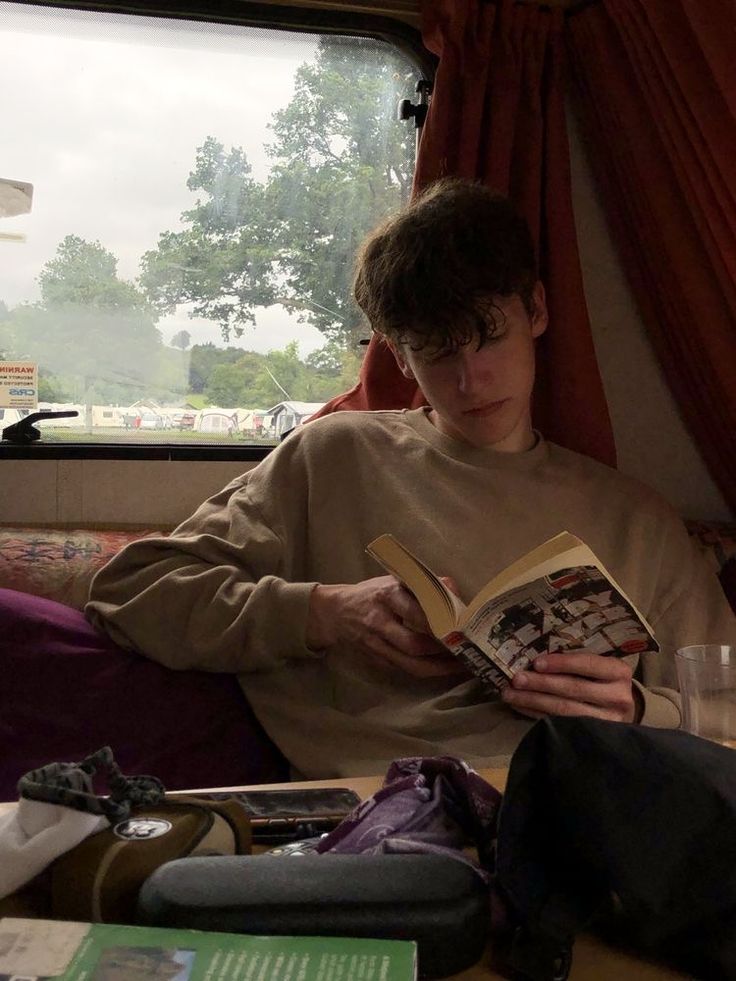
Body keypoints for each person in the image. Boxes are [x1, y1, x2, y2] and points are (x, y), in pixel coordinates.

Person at [86, 179, 736, 778]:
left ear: (535, 309)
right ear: (398, 353)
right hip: (377, 811)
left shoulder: (636, 518)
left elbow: (726, 708)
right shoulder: (332, 457)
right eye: (435, 349)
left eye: (488, 336)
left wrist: (637, 710)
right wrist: (324, 612)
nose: (469, 378)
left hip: (575, 809)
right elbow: (131, 590)